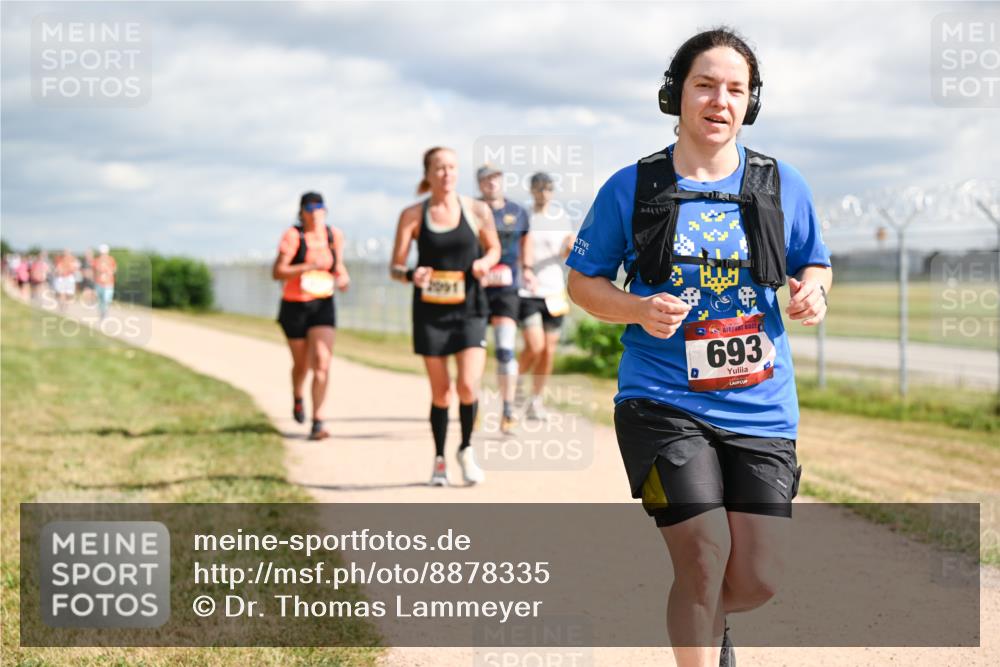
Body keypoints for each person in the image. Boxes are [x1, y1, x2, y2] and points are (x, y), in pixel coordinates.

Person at [565, 27, 832, 667]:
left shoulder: (781, 184)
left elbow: (814, 264)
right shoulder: (631, 187)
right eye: (705, 85)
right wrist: (636, 308)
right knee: (704, 553)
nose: (720, 100)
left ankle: (704, 618)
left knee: (758, 579)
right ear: (675, 95)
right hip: (660, 400)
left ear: (750, 103)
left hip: (762, 407)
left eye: (735, 89)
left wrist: (813, 294)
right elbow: (581, 282)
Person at [391, 147, 501, 486]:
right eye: (439, 168)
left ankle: (466, 449)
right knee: (441, 393)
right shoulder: (412, 214)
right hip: (430, 312)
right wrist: (412, 275)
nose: (447, 173)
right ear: (428, 174)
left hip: (469, 308)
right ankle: (439, 459)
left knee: (468, 385)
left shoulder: (477, 210)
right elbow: (395, 267)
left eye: (452, 167)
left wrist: (485, 262)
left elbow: (494, 247)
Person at [272, 192, 350, 441]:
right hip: (295, 306)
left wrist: (343, 277)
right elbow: (278, 271)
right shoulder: (293, 236)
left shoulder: (333, 235)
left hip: (323, 304)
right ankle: (298, 397)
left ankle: (318, 420)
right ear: (302, 212)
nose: (316, 212)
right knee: (302, 365)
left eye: (320, 207)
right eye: (310, 208)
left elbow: (339, 266)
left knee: (322, 363)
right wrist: (307, 266)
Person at [477, 164, 534, 434]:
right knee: (473, 349)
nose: (491, 183)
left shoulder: (517, 212)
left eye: (495, 178)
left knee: (504, 349)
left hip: (506, 288)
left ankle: (508, 409)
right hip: (475, 286)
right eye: (485, 179)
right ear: (479, 184)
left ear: (501, 181)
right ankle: (472, 404)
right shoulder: (471, 209)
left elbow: (526, 242)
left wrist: (528, 270)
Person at [517, 172, 575, 420]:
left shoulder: (561, 217)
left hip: (554, 291)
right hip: (527, 290)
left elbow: (564, 253)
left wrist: (570, 248)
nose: (543, 193)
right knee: (534, 345)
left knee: (548, 351)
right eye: (539, 189)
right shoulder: (523, 216)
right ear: (531, 190)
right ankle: (514, 389)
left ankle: (536, 402)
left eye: (548, 189)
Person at [92, 244, 117, 320]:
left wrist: (109, 272)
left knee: (106, 300)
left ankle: (104, 312)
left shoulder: (111, 260)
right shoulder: (97, 260)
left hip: (109, 283)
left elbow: (114, 269)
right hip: (99, 283)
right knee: (100, 300)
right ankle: (101, 313)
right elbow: (95, 272)